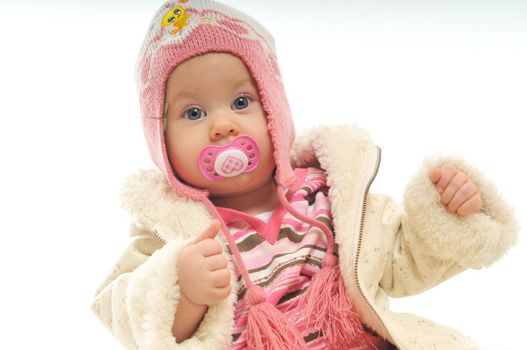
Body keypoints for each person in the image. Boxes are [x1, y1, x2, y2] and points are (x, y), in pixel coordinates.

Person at [90, 1, 518, 349]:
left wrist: (445, 214)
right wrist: (181, 288)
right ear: (160, 140)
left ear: (274, 111)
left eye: (241, 102)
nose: (222, 126)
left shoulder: (331, 196)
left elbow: (398, 264)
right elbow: (127, 314)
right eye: (194, 112)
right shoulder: (170, 232)